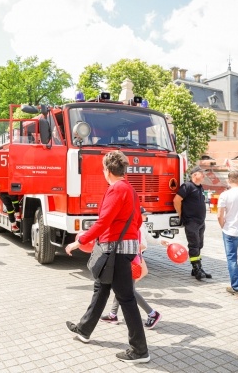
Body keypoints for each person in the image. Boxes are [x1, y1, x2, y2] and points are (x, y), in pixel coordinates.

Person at [65, 151, 150, 364]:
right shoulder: (130, 189)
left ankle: (140, 351)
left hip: (115, 249)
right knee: (101, 287)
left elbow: (103, 222)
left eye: (103, 169)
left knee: (126, 298)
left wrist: (80, 240)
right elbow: (138, 221)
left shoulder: (116, 189)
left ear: (107, 170)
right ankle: (84, 329)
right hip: (124, 247)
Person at [100, 207, 169, 329]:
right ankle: (113, 314)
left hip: (131, 261)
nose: (146, 217)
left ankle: (153, 314)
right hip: (133, 260)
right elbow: (148, 240)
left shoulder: (138, 226)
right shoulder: (138, 225)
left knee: (127, 290)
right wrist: (159, 241)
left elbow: (144, 244)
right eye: (144, 214)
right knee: (121, 287)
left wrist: (159, 242)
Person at [173, 166, 212, 281]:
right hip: (191, 221)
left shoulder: (200, 187)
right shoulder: (187, 186)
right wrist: (180, 214)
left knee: (199, 245)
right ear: (194, 175)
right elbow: (176, 200)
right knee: (194, 245)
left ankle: (198, 267)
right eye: (201, 173)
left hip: (200, 222)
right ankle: (196, 270)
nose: (204, 175)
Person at [217, 170, 238, 297]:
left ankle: (236, 287)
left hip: (230, 231)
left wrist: (223, 226)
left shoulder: (225, 195)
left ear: (229, 180)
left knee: (232, 259)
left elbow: (219, 215)